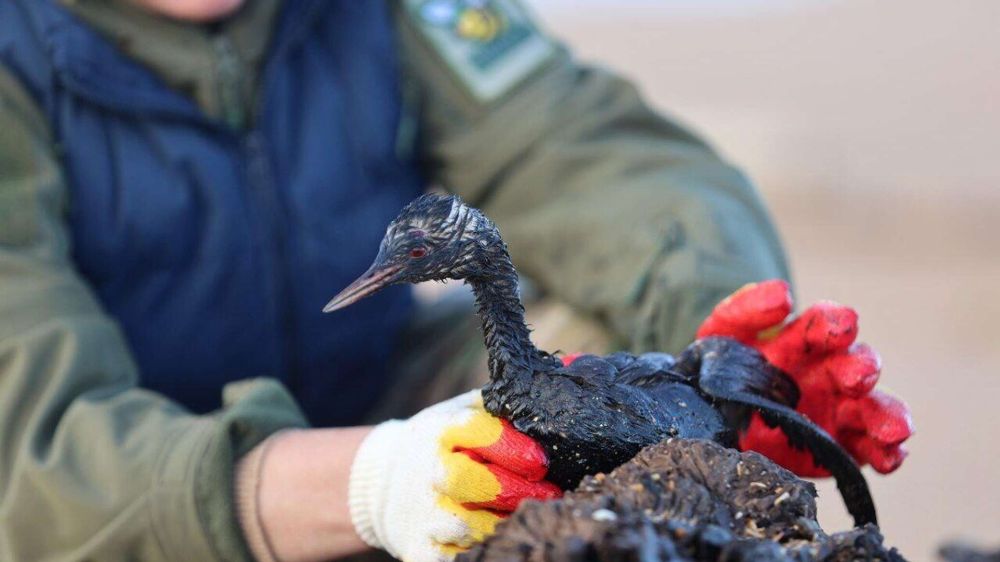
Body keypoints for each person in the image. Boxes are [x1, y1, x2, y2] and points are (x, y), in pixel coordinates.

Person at [0, 1, 909, 562]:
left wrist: (713, 353)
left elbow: (585, 152)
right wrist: (371, 486)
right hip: (111, 493)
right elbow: (27, 450)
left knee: (603, 365)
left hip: (372, 387)